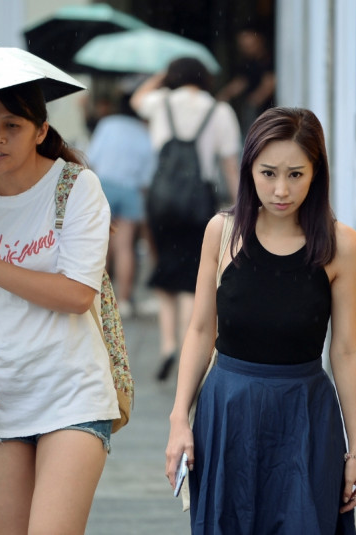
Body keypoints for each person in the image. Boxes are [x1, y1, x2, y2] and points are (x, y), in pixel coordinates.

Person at [0, 81, 120, 535]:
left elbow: (77, 294)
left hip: (72, 392)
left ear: (40, 131)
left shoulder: (77, 187)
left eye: (12, 125)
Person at [165, 107, 356, 533]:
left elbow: (346, 349)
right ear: (248, 170)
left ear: (316, 173)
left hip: (305, 417)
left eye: (296, 174)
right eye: (268, 172)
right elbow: (201, 330)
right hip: (227, 412)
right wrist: (179, 419)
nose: (280, 189)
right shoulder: (222, 233)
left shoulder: (341, 245)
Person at [130, 57, 240, 381]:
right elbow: (230, 165)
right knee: (195, 275)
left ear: (173, 77)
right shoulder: (219, 111)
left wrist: (161, 74)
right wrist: (239, 205)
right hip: (198, 203)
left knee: (165, 270)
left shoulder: (160, 101)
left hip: (162, 200)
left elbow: (136, 99)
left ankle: (167, 346)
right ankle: (187, 345)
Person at [86, 91, 156, 317]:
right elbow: (148, 176)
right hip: (131, 191)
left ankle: (97, 300)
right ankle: (124, 301)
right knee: (125, 247)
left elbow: (92, 158)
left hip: (104, 187)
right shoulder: (144, 132)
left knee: (101, 245)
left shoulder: (108, 124)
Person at [216, 27, 276, 137]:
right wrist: (223, 96)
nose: (245, 49)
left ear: (259, 41)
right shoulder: (248, 61)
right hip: (255, 111)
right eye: (242, 46)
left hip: (268, 111)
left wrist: (253, 102)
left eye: (249, 45)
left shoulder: (269, 59)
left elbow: (270, 83)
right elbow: (241, 82)